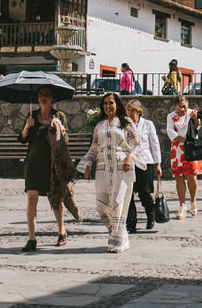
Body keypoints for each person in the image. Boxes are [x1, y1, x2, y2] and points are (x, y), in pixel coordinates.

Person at [79, 93, 143, 253]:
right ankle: (119, 231)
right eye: (105, 103)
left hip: (122, 166)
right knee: (101, 205)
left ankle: (118, 240)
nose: (108, 106)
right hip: (102, 167)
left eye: (111, 103)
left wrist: (130, 157)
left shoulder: (125, 122)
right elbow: (93, 148)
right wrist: (88, 164)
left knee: (117, 202)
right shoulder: (99, 125)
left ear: (117, 105)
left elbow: (138, 145)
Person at [18, 86, 68, 251]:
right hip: (33, 164)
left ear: (52, 98)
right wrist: (27, 126)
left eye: (47, 95)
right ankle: (31, 238)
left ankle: (61, 232)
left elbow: (65, 140)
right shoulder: (32, 115)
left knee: (54, 199)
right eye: (41, 95)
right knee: (32, 199)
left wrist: (60, 129)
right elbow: (23, 139)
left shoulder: (59, 116)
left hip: (51, 164)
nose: (43, 97)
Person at [125, 99, 162, 233]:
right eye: (128, 110)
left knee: (144, 192)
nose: (130, 113)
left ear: (139, 112)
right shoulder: (124, 125)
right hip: (130, 162)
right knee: (128, 194)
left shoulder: (147, 124)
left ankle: (150, 214)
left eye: (132, 110)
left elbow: (155, 144)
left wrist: (158, 164)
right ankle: (131, 222)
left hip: (145, 162)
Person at [166, 94, 202, 218]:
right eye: (180, 107)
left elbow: (197, 128)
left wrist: (196, 119)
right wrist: (185, 139)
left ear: (187, 103)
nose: (183, 109)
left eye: (184, 106)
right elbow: (171, 132)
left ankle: (193, 201)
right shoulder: (171, 116)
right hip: (177, 148)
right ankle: (182, 204)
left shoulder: (192, 113)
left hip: (191, 148)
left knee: (192, 176)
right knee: (179, 177)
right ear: (176, 107)